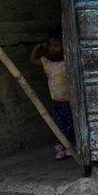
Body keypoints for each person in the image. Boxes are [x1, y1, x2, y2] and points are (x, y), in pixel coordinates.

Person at [30, 29, 74, 159]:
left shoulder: (67, 60)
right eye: (51, 45)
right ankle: (61, 148)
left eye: (57, 45)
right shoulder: (47, 62)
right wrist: (37, 47)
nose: (53, 48)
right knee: (59, 125)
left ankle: (68, 147)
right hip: (57, 100)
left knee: (70, 125)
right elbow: (32, 61)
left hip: (70, 100)